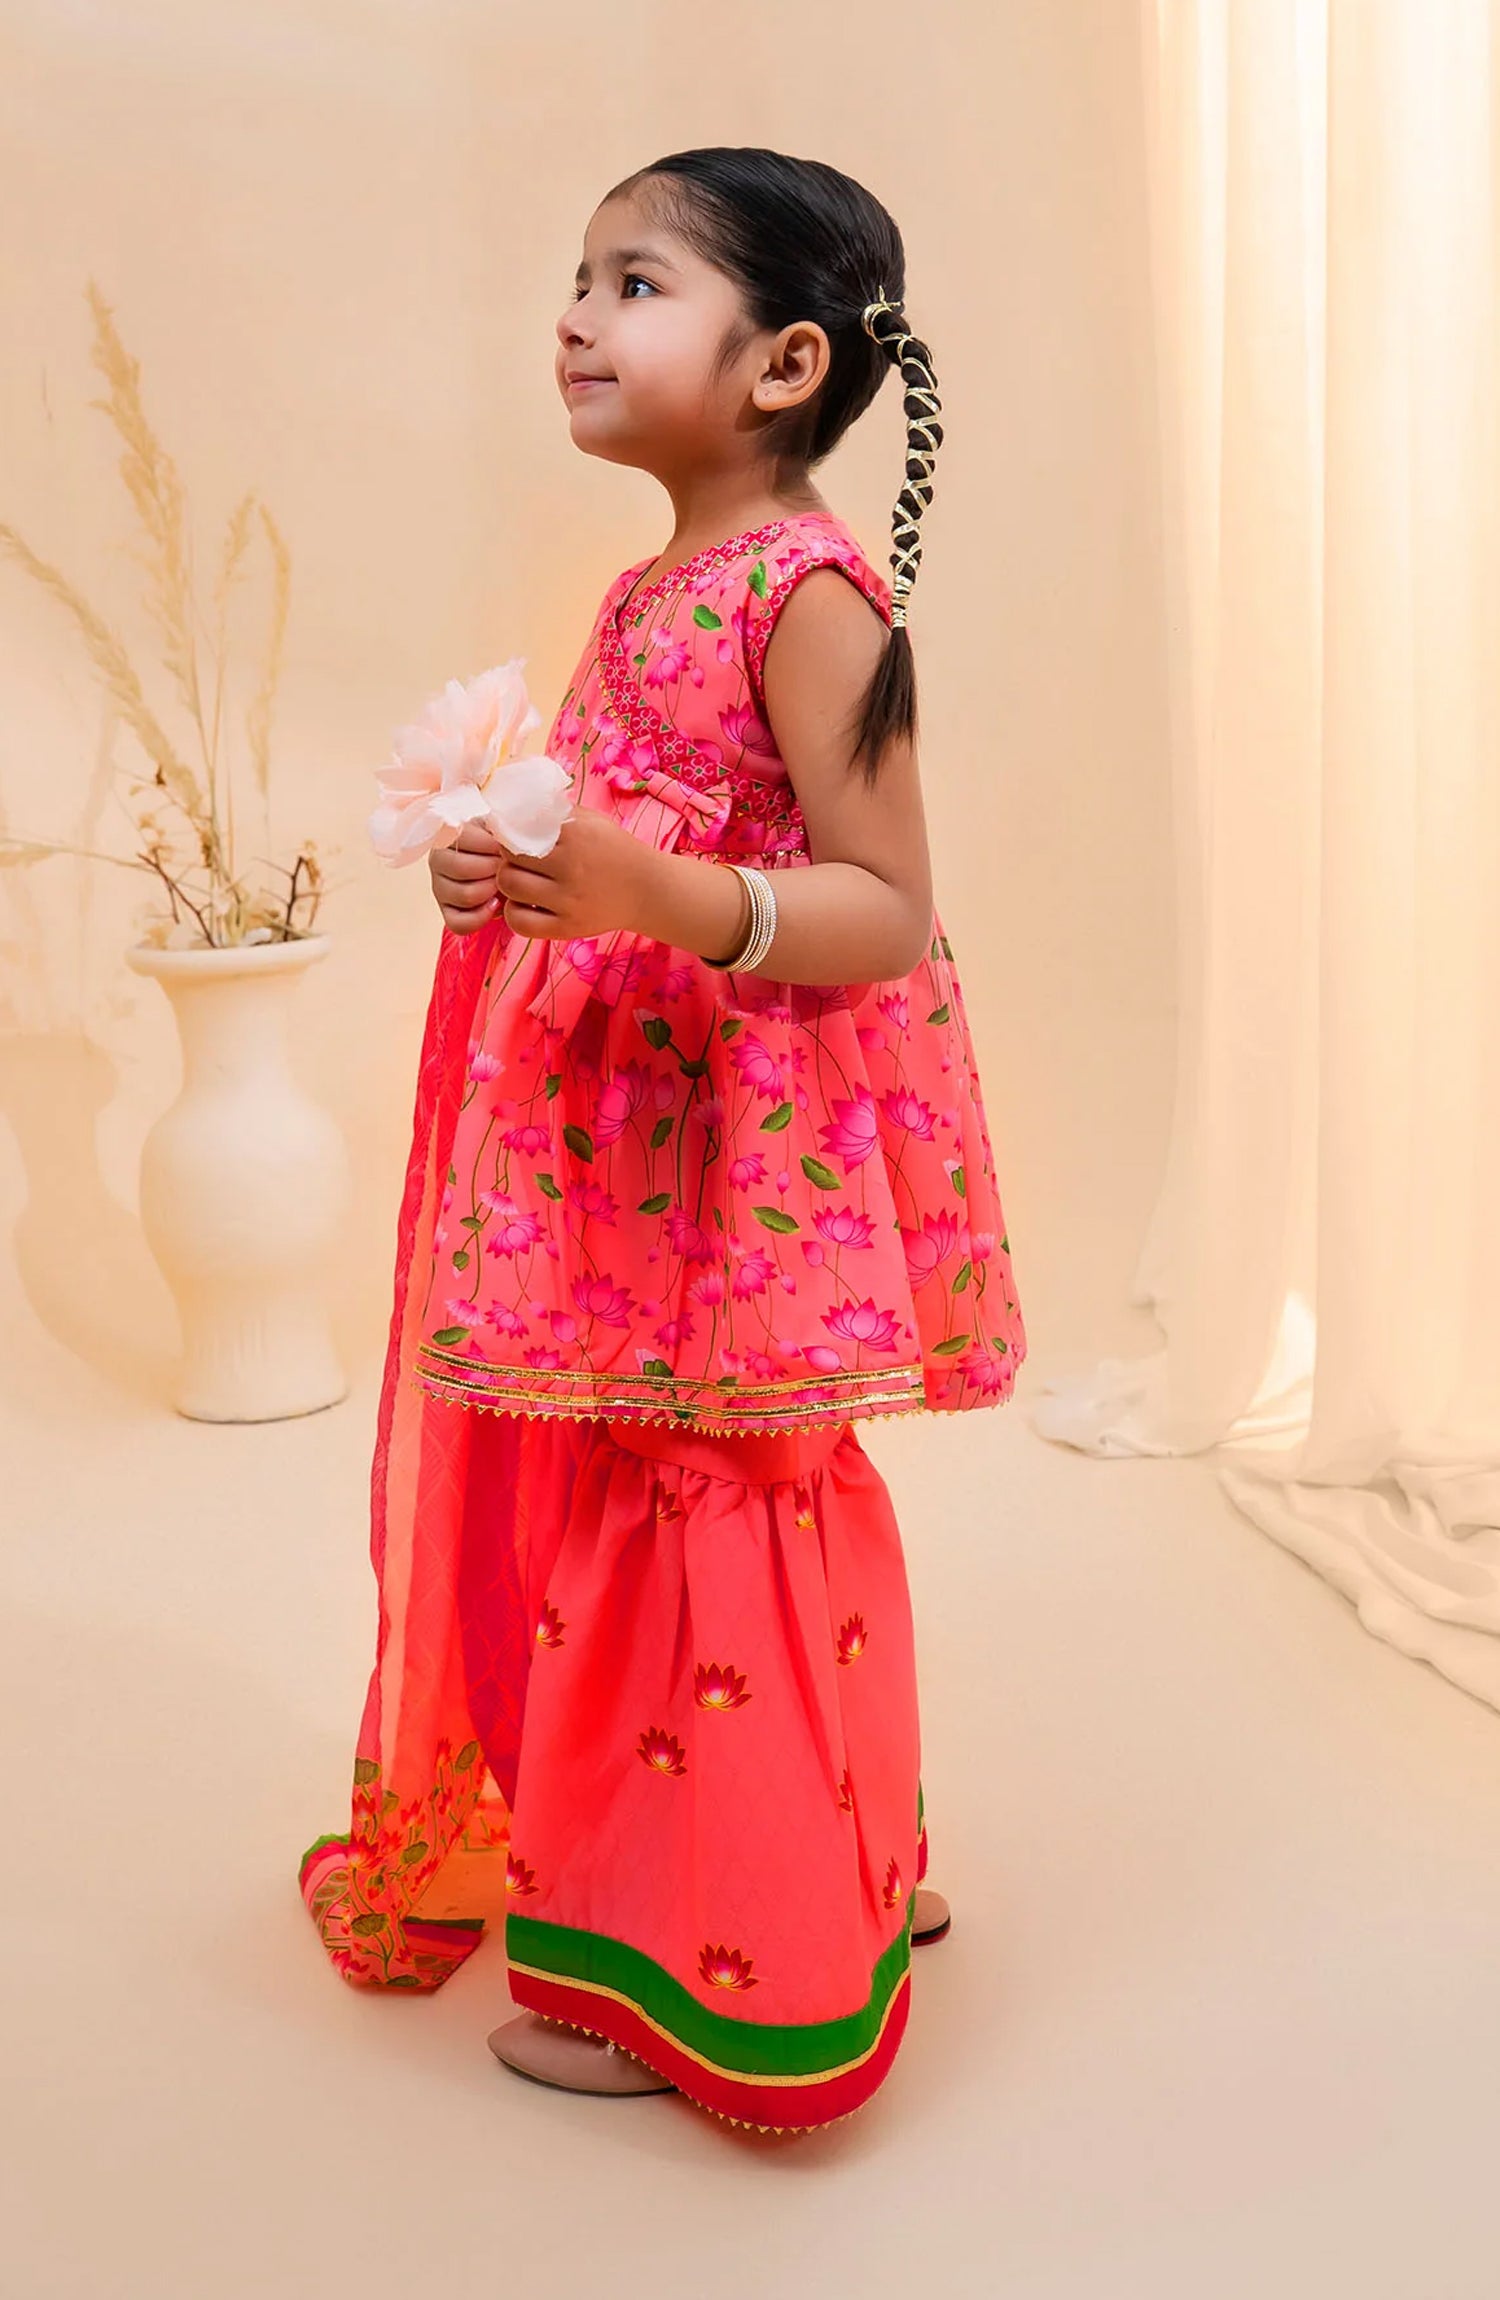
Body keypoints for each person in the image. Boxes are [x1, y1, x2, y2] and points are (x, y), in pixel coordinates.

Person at [298, 146, 1027, 2135]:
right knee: (706, 1483)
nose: (575, 316)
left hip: (738, 1155)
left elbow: (888, 905)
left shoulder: (811, 598)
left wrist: (657, 898)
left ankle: (727, 1960)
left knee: (712, 1495)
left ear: (786, 362)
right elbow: (626, 823)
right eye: (579, 278)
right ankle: (833, 1862)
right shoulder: (648, 591)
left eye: (634, 283)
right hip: (639, 1140)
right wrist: (515, 873)